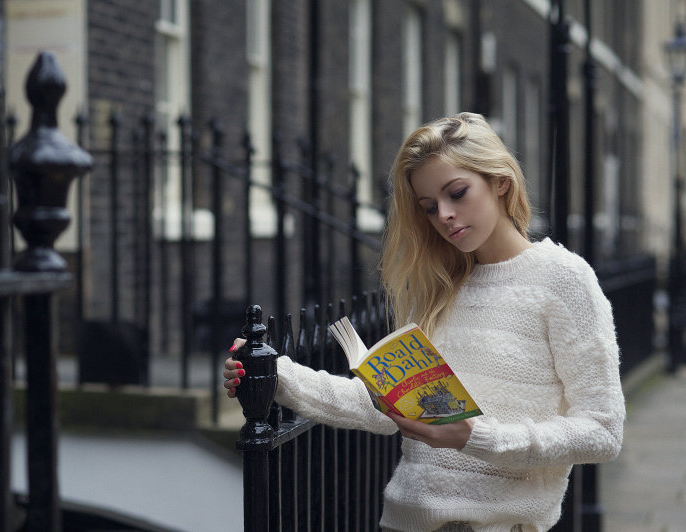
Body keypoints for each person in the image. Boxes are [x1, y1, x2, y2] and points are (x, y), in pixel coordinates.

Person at [223, 112, 625, 532]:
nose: (445, 215)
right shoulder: (440, 286)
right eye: (429, 207)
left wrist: (476, 437)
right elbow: (383, 408)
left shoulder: (562, 278)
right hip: (404, 521)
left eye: (457, 193)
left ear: (501, 182)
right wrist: (276, 375)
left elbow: (602, 431)